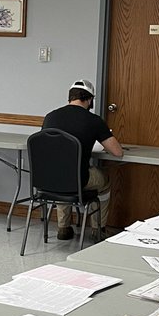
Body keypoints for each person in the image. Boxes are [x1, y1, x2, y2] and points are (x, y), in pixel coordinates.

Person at [41, 78, 123, 239]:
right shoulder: (93, 121)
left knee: (62, 175)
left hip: (47, 180)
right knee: (104, 178)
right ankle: (98, 228)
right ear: (90, 99)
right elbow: (117, 152)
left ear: (70, 97)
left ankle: (63, 228)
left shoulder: (50, 117)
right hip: (78, 180)